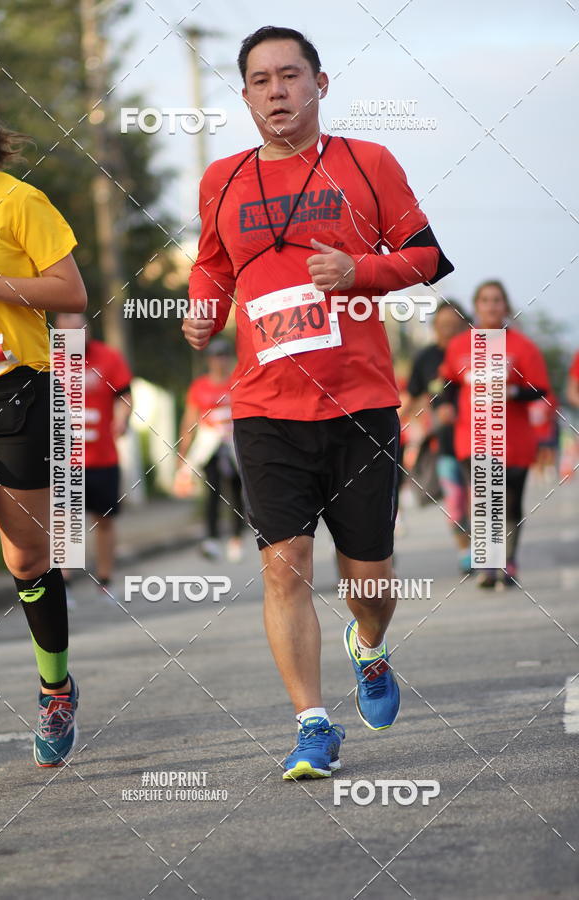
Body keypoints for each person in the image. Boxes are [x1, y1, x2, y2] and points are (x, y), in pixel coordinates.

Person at [183, 27, 453, 780]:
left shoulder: (368, 163)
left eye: (291, 75)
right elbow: (211, 266)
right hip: (263, 408)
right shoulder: (222, 180)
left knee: (370, 581)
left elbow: (427, 256)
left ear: (320, 84)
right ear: (245, 94)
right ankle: (311, 724)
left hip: (359, 403)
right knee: (284, 566)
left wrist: (361, 270)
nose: (277, 91)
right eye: (260, 80)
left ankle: (369, 645)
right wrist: (203, 311)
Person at [0, 97, 87, 777]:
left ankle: (56, 689)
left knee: (25, 558)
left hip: (11, 386)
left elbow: (70, 293)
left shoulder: (20, 201)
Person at [441, 280, 550, 589]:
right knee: (484, 499)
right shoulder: (460, 345)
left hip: (513, 440)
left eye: (497, 300)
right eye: (485, 300)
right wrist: (444, 405)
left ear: (506, 306)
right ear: (476, 306)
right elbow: (447, 383)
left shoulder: (522, 346)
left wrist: (512, 391)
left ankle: (508, 561)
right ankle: (488, 565)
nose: (491, 306)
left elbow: (540, 389)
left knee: (509, 502)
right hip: (472, 437)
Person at [55, 312, 132, 601]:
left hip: (102, 457)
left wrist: (122, 418)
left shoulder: (109, 357)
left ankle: (105, 579)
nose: (77, 333)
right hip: (64, 459)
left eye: (81, 327)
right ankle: (64, 583)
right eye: (70, 329)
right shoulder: (49, 360)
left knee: (105, 520)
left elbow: (124, 395)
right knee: (65, 520)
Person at [399, 300, 471, 573]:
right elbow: (410, 397)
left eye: (454, 325)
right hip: (446, 444)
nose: (448, 330)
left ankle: (489, 552)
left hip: (481, 440)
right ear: (434, 327)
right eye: (442, 325)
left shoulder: (478, 352)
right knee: (456, 502)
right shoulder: (426, 358)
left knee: (482, 500)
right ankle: (466, 552)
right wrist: (388, 425)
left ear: (466, 325)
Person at [174, 338, 244, 561]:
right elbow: (190, 420)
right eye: (216, 357)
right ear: (209, 361)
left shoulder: (237, 383)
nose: (220, 362)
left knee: (236, 489)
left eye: (224, 356)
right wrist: (183, 452)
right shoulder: (200, 387)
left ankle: (236, 537)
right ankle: (211, 538)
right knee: (212, 489)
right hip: (210, 445)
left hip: (233, 442)